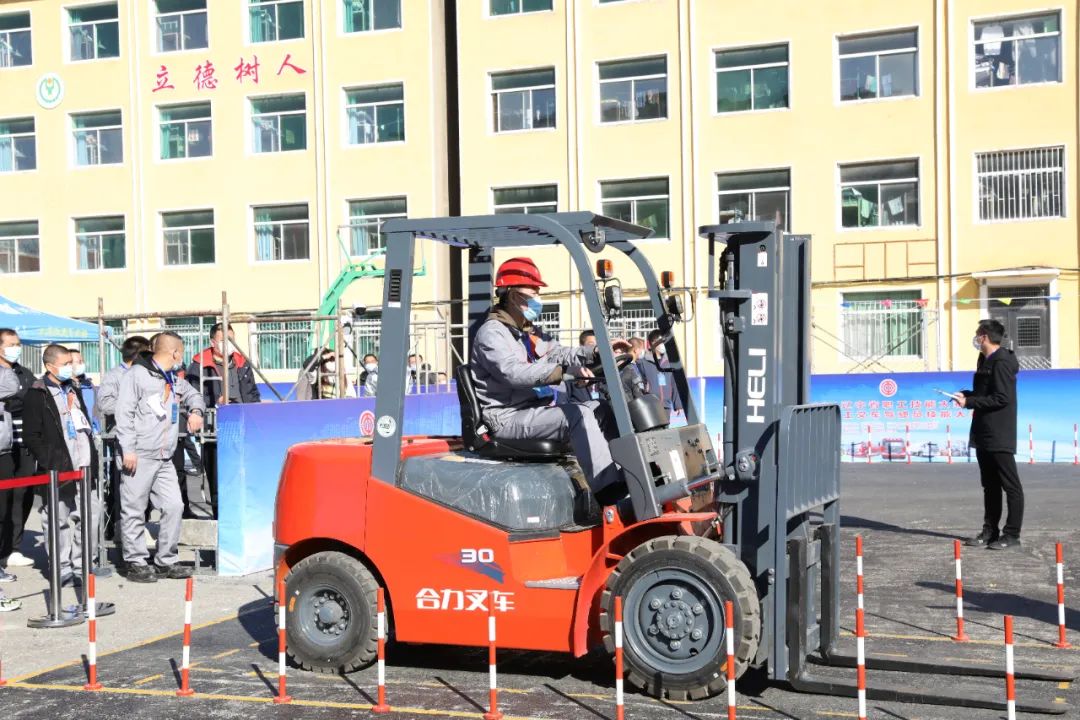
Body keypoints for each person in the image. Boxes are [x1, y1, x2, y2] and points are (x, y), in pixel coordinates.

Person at [471, 257, 628, 505]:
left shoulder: (527, 331)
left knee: (600, 409)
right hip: (507, 417)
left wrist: (596, 352)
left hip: (534, 412)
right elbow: (513, 372)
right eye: (532, 291)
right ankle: (609, 491)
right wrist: (561, 372)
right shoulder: (492, 333)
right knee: (577, 415)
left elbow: (558, 353)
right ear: (512, 295)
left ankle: (629, 474)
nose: (537, 296)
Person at [115, 332, 206, 581]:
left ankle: (166, 560)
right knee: (134, 508)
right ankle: (135, 561)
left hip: (165, 455)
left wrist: (196, 411)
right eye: (181, 352)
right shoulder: (137, 375)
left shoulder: (172, 377)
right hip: (140, 454)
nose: (182, 357)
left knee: (174, 505)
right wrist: (128, 449)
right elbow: (124, 414)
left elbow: (194, 395)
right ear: (174, 353)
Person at [21, 345, 101, 587]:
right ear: (50, 366)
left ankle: (82, 564)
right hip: (59, 468)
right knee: (58, 520)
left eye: (72, 363)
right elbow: (32, 435)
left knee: (90, 517)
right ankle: (61, 568)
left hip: (84, 465)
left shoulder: (73, 388)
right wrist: (51, 461)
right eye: (66, 363)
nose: (71, 367)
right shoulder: (37, 394)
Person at [952, 319, 1023, 550]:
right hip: (983, 430)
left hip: (999, 431)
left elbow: (1002, 398)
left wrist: (970, 402)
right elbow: (985, 392)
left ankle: (1012, 535)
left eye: (977, 334)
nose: (975, 339)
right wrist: (966, 395)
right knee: (990, 485)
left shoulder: (1002, 362)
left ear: (984, 337)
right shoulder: (984, 359)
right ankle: (990, 532)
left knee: (1010, 485)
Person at [187, 323, 259, 518]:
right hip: (215, 430)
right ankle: (221, 518)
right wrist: (214, 402)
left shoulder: (242, 363)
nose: (229, 344)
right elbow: (192, 396)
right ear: (213, 342)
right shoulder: (199, 365)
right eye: (223, 340)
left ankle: (243, 517)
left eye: (232, 339)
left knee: (243, 477)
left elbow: (252, 393)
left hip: (242, 428)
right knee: (218, 479)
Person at [96, 336, 151, 539]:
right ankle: (119, 530)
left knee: (145, 488)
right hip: (123, 439)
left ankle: (141, 527)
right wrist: (132, 406)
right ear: (138, 355)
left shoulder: (147, 374)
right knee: (124, 488)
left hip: (146, 438)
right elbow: (104, 403)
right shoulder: (115, 375)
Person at [0, 329, 36, 571]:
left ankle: (13, 546)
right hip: (4, 442)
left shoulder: (24, 372)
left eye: (18, 344)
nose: (16, 348)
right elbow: (14, 400)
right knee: (4, 499)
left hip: (23, 442)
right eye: (11, 344)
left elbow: (31, 398)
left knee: (23, 495)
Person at [642, 329, 683, 415]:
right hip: (650, 406)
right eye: (661, 342)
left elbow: (674, 383)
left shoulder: (669, 362)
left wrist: (678, 405)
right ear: (653, 343)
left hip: (666, 405)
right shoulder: (643, 362)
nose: (663, 344)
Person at [564, 331, 597, 404]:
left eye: (598, 345)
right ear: (581, 347)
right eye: (591, 345)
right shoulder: (572, 373)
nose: (595, 349)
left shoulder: (605, 372)